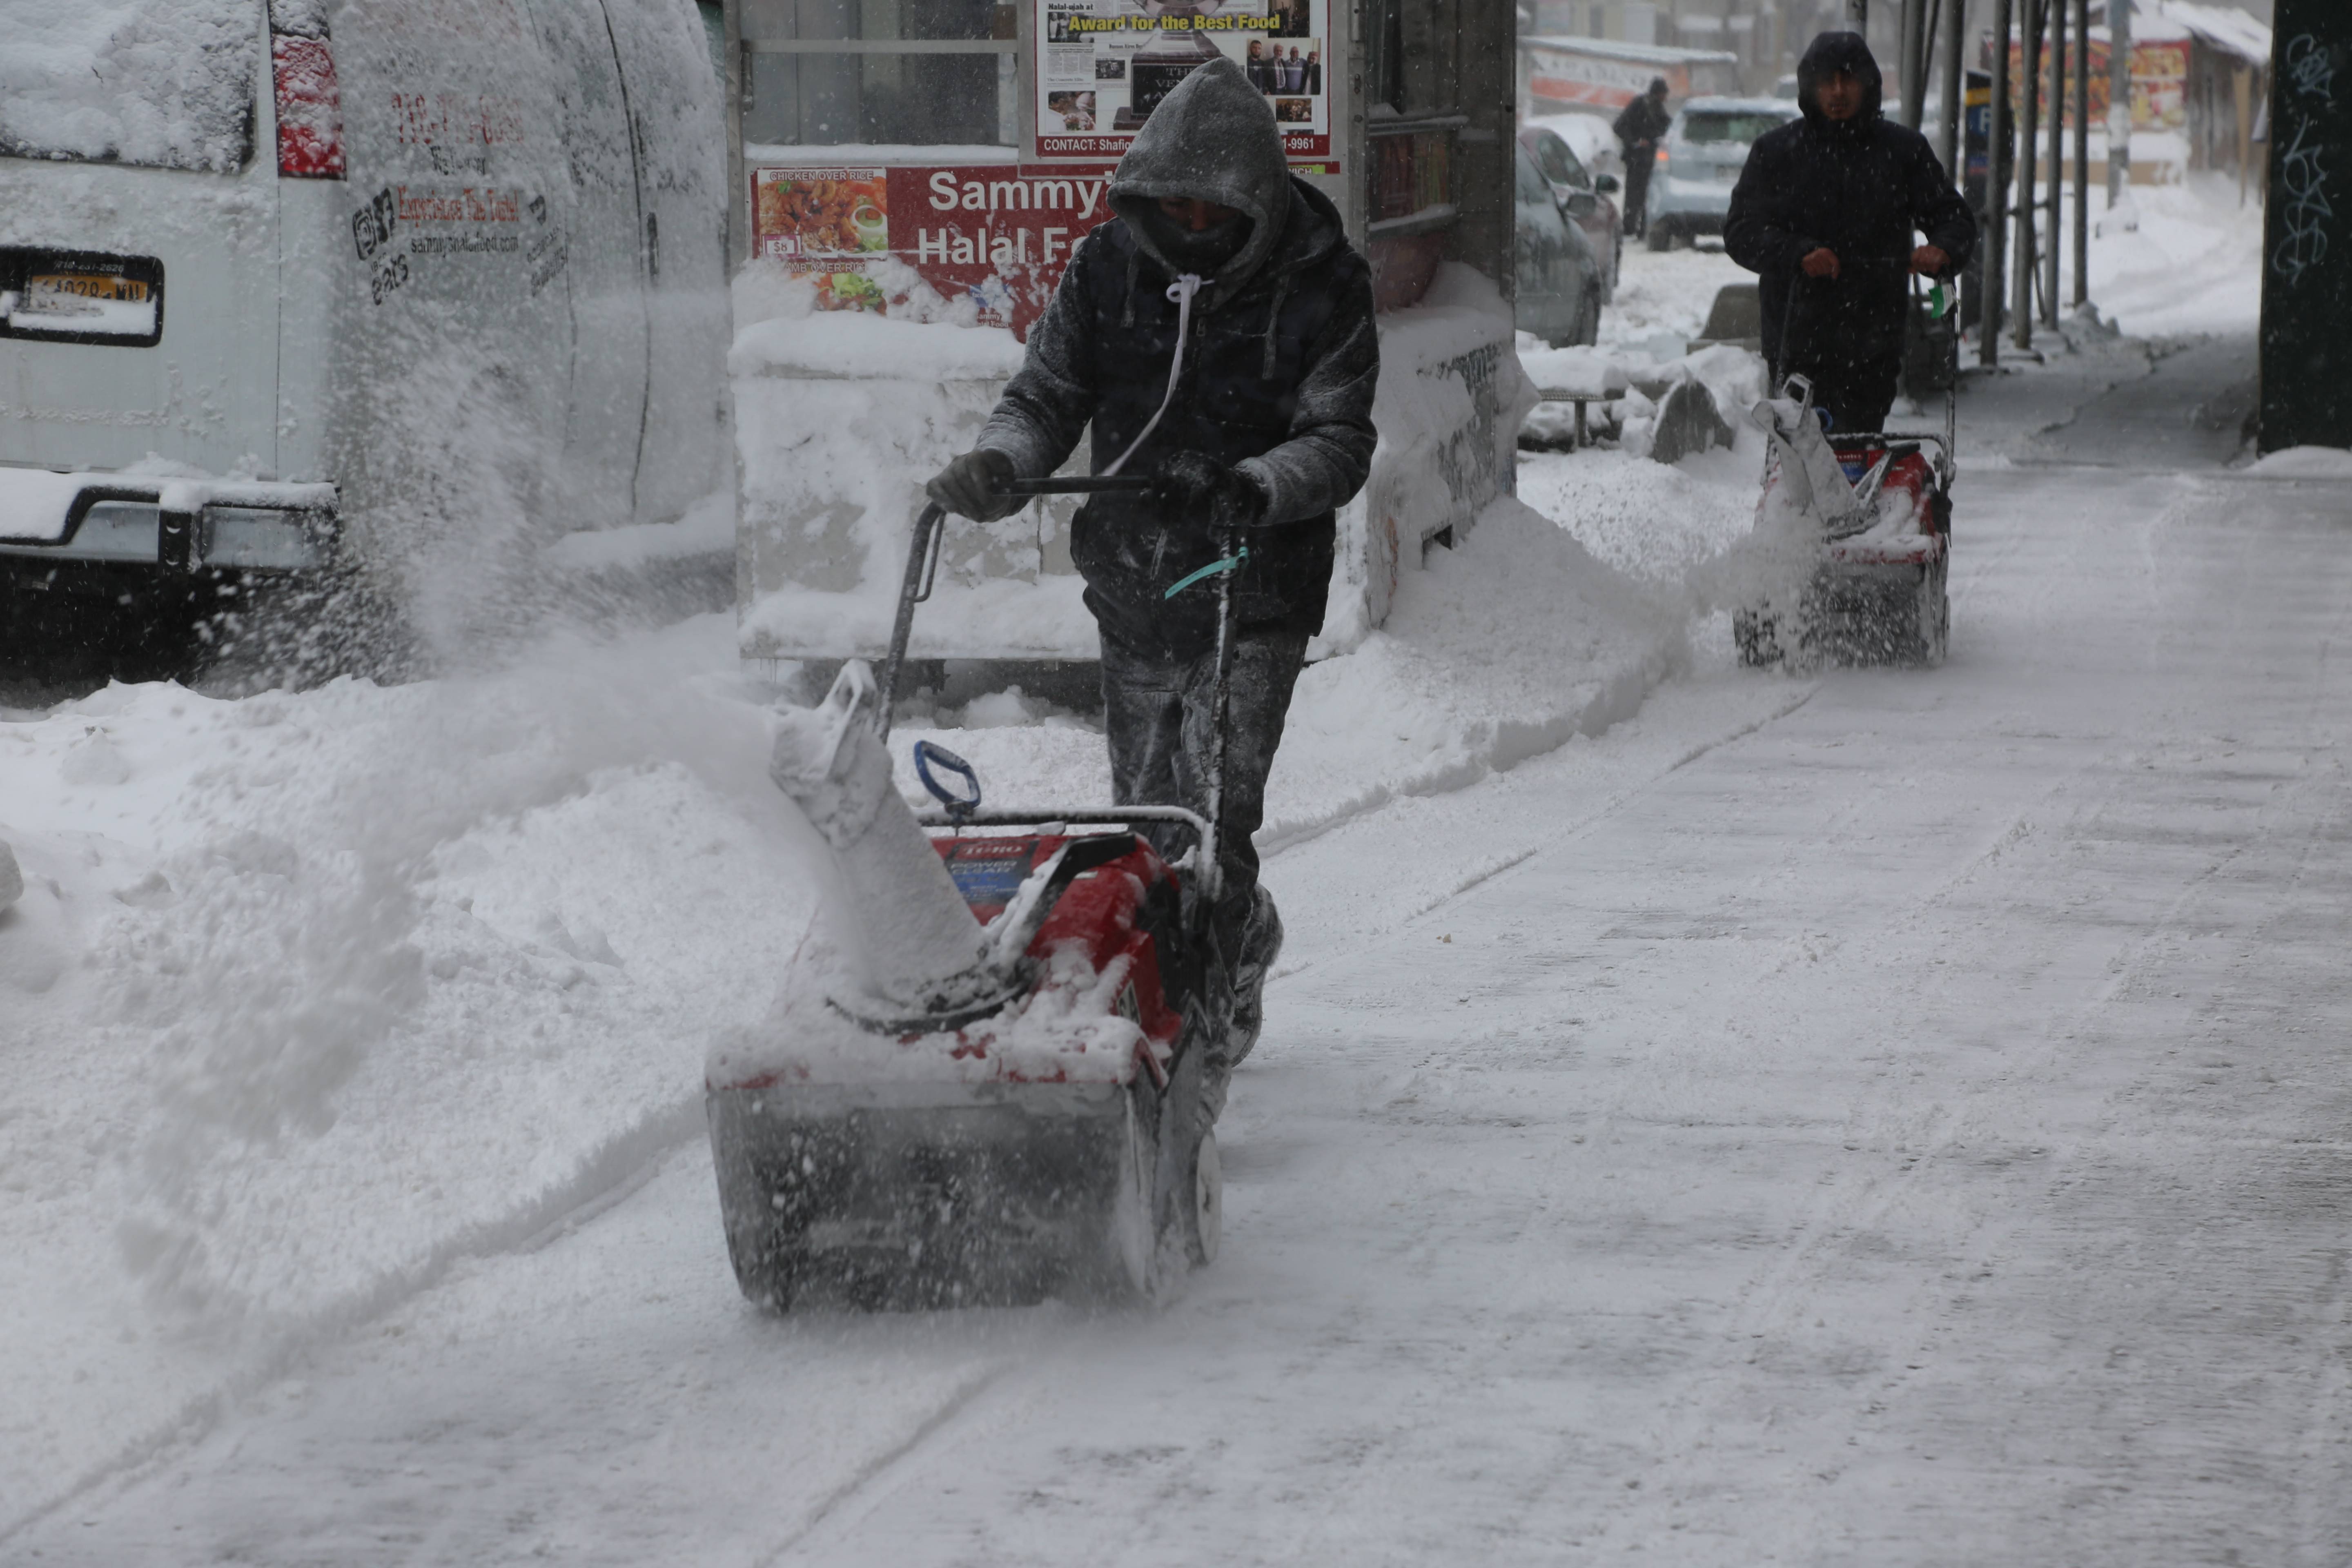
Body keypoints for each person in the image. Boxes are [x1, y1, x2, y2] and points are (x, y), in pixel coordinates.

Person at [923, 57, 1377, 1106]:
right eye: (1168, 200)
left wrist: (1249, 485)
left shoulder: (1319, 280)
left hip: (1252, 584)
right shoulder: (1104, 270)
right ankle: (1232, 935)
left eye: (1207, 206)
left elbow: (1336, 436)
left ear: (1252, 200)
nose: (1184, 219)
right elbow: (1044, 393)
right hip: (1133, 579)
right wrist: (1001, 462)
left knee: (1210, 820)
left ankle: (1196, 1044)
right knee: (1142, 826)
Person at [1724, 31, 1976, 435]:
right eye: (1827, 81)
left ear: (1868, 84)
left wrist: (1942, 249)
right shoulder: (1776, 153)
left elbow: (1954, 216)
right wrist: (1797, 253)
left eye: (1849, 80)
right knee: (1802, 454)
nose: (1838, 92)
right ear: (1811, 86)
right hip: (1796, 337)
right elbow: (1741, 230)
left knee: (1859, 449)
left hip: (1872, 339)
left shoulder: (1902, 152)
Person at [1612, 77, 1672, 237]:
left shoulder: (1659, 109)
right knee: (1634, 195)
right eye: (1664, 94)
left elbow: (1667, 128)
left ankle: (1642, 229)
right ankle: (1630, 228)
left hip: (1650, 160)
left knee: (1647, 194)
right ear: (1658, 93)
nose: (1666, 98)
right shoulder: (1640, 105)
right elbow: (1619, 127)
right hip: (1636, 159)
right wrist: (1636, 142)